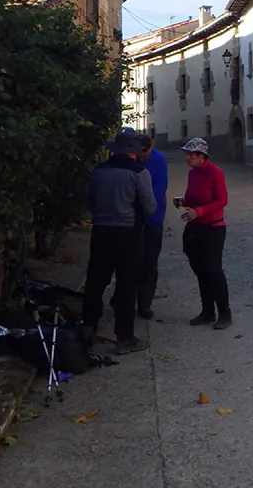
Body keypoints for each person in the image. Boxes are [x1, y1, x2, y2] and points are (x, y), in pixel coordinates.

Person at [83, 130, 156, 355]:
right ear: (134, 152)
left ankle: (87, 331)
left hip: (101, 232)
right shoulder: (139, 173)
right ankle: (125, 338)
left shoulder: (98, 171)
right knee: (126, 286)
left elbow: (90, 200)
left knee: (95, 282)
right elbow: (149, 206)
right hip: (127, 234)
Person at [177, 138, 232, 329]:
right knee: (200, 270)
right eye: (187, 154)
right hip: (195, 227)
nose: (187, 158)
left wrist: (198, 211)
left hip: (213, 228)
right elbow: (193, 196)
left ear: (202, 156)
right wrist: (184, 201)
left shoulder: (215, 173)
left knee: (213, 270)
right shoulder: (193, 174)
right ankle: (207, 311)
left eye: (191, 154)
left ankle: (225, 313)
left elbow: (222, 200)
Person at [136, 134, 168, 320]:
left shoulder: (158, 160)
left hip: (153, 218)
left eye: (144, 153)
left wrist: (144, 206)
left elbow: (160, 187)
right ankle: (125, 299)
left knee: (149, 262)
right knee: (132, 261)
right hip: (133, 220)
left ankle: (145, 304)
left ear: (150, 148)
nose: (142, 157)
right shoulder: (133, 157)